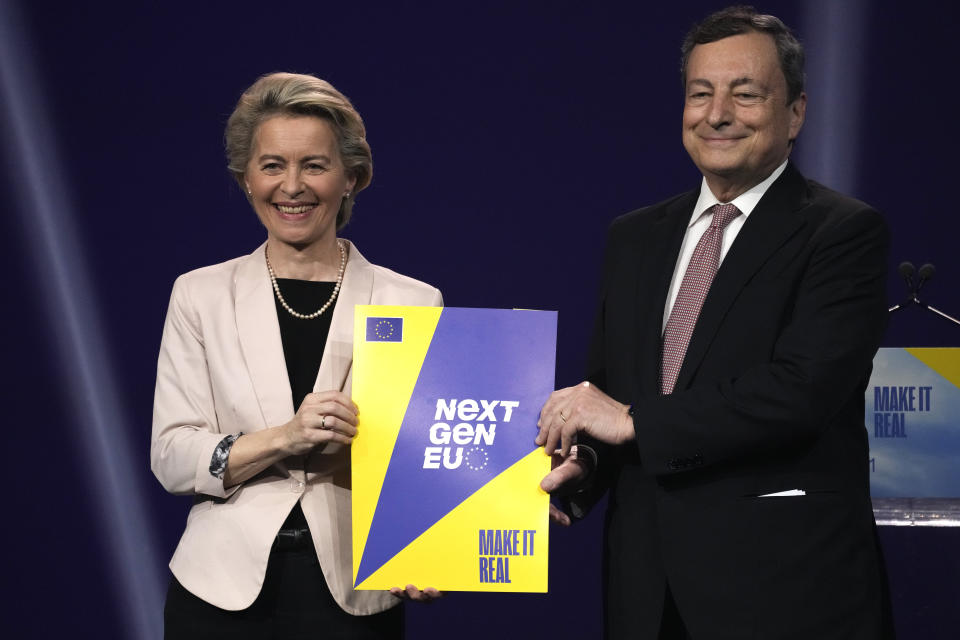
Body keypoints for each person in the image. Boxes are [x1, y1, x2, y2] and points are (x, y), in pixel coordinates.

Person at [536, 7, 893, 639]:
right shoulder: (635, 237)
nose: (717, 113)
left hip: (785, 592)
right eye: (700, 94)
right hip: (647, 592)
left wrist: (631, 423)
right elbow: (609, 393)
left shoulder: (842, 233)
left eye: (745, 94)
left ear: (797, 113)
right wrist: (586, 458)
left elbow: (800, 392)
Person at [151, 72, 441, 639]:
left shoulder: (413, 300)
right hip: (218, 590)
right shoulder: (200, 294)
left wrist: (432, 547)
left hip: (357, 592)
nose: (292, 186)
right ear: (246, 179)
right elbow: (172, 455)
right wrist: (287, 436)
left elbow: (425, 456)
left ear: (351, 177)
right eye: (272, 165)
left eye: (314, 165)